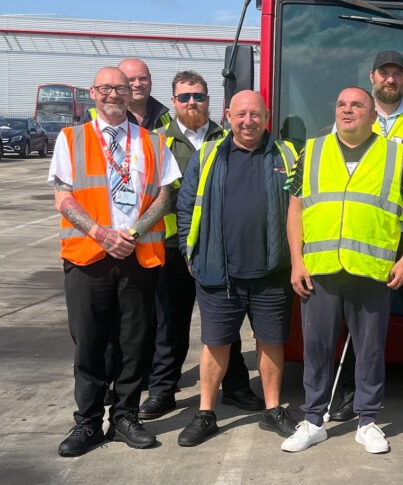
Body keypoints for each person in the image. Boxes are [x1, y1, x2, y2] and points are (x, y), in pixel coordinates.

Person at [282, 86, 403, 454]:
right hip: (321, 268)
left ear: (373, 115)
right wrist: (296, 261)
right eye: (341, 104)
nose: (348, 110)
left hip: (371, 271)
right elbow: (295, 208)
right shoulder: (311, 151)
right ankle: (313, 421)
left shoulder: (394, 155)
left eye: (357, 105)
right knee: (316, 347)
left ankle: (367, 421)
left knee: (371, 349)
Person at [51, 67, 178, 456]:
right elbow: (64, 196)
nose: (113, 94)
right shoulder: (71, 138)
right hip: (88, 257)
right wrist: (102, 234)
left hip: (138, 256)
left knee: (134, 342)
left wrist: (134, 232)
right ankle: (88, 423)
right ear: (93, 92)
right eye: (105, 88)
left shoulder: (153, 142)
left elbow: (164, 196)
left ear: (130, 94)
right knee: (89, 342)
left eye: (120, 88)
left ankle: (125, 417)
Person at [171, 90, 299, 446]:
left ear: (267, 116)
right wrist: (189, 252)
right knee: (215, 344)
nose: (248, 121)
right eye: (241, 114)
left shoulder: (287, 155)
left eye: (255, 114)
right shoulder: (209, 154)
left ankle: (273, 409)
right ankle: (206, 413)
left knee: (271, 342)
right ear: (228, 116)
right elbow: (186, 207)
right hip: (218, 270)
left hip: (272, 272)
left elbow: (303, 209)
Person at [331, 50, 403, 422]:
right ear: (372, 77)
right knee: (357, 316)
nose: (390, 80)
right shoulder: (351, 117)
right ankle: (352, 391)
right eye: (384, 74)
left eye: (396, 74)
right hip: (365, 235)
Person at [138, 71, 263, 421]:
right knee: (170, 323)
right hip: (172, 248)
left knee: (226, 324)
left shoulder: (229, 138)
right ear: (173, 101)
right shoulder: (157, 141)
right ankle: (163, 391)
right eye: (184, 97)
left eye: (198, 96)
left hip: (217, 247)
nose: (192, 102)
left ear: (210, 101)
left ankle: (236, 387)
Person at [100, 58, 175, 405]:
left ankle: (147, 382)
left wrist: (138, 231)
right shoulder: (102, 122)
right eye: (130, 79)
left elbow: (167, 189)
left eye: (143, 78)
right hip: (106, 242)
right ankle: (110, 379)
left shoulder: (166, 117)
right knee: (111, 320)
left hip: (156, 239)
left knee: (153, 317)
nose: (137, 85)